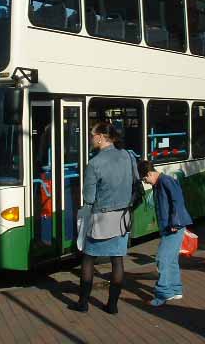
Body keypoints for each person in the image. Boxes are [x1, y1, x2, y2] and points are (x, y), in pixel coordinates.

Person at [69, 122, 133, 314]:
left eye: (92, 134)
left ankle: (83, 303)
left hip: (101, 218)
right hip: (123, 217)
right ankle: (112, 305)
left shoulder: (94, 163)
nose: (90, 138)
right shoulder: (127, 155)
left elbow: (88, 197)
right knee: (117, 260)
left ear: (101, 137)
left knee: (88, 258)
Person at [137, 160, 193, 306]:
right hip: (172, 227)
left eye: (145, 179)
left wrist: (175, 222)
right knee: (172, 260)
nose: (146, 182)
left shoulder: (165, 182)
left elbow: (177, 201)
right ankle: (175, 290)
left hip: (173, 227)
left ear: (149, 173)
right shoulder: (162, 182)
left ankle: (163, 294)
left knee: (162, 259)